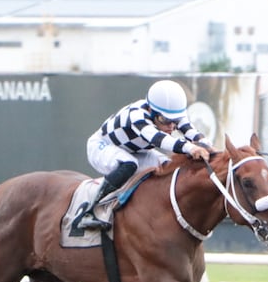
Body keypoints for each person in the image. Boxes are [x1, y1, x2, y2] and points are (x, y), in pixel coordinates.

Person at [72, 79, 213, 231]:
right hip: (102, 146)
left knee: (167, 167)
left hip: (135, 150)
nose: (171, 127)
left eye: (175, 121)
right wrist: (191, 148)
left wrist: (207, 145)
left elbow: (191, 132)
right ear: (151, 111)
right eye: (165, 120)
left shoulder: (170, 113)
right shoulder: (137, 115)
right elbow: (158, 139)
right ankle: (90, 211)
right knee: (129, 165)